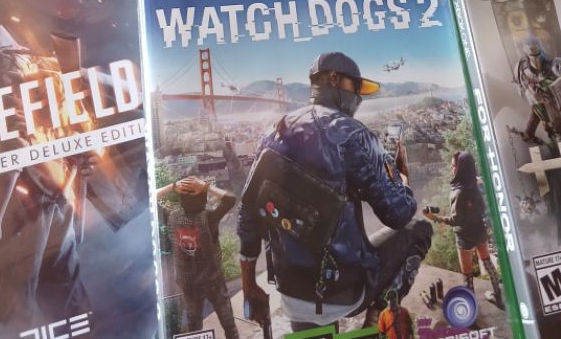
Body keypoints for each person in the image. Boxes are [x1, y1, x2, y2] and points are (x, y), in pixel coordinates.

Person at [237, 52, 432, 333]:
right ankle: (375, 318)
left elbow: (248, 214)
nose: (359, 97)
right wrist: (400, 179)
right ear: (333, 79)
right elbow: (399, 214)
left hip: (290, 288)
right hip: (345, 289)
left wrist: (248, 286)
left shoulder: (273, 132)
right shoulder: (353, 134)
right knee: (420, 229)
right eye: (356, 87)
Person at [0, 19, 90, 332]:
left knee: (14, 306)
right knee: (64, 297)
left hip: (23, 208)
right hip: (55, 194)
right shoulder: (28, 56)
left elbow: (12, 150)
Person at [155, 176, 239, 339]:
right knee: (229, 325)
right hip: (212, 280)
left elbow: (150, 199)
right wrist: (206, 186)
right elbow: (230, 199)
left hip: (189, 283)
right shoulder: (208, 218)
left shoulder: (173, 218)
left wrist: (172, 186)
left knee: (194, 327)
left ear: (181, 198)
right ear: (203, 198)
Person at [423, 151, 503, 308]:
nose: (452, 169)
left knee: (467, 273)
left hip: (464, 235)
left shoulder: (458, 192)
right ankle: (497, 294)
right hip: (479, 229)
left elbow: (456, 220)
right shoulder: (478, 183)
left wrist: (435, 218)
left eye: (454, 166)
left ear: (461, 168)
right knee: (487, 261)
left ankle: (471, 305)